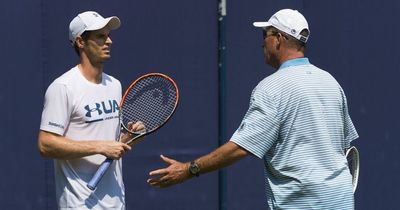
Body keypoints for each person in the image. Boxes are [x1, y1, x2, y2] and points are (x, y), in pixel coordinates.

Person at [147, 8, 359, 209]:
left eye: (264, 35)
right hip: (341, 201)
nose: (261, 44)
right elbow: (342, 145)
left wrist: (188, 169)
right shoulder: (331, 82)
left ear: (279, 38)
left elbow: (241, 147)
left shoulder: (271, 87)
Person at [38, 11, 143, 209]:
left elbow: (111, 145)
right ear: (80, 42)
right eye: (101, 36)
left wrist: (128, 138)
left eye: (109, 35)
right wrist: (100, 146)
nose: (109, 41)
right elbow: (46, 144)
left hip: (116, 203)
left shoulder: (114, 85)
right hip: (80, 205)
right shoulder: (63, 87)